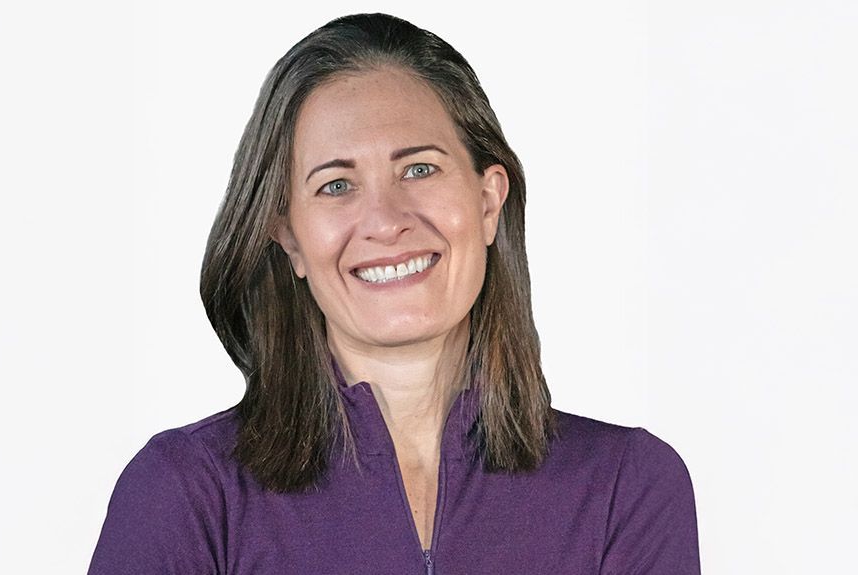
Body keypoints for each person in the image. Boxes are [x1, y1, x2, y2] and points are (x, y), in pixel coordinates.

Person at [89, 13, 700, 574]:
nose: (385, 220)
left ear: (487, 202)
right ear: (291, 240)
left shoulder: (627, 488)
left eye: (418, 169)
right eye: (335, 185)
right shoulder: (187, 494)